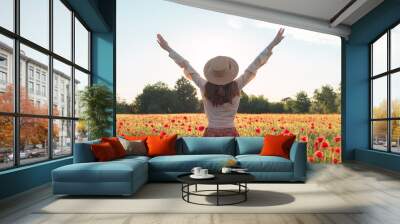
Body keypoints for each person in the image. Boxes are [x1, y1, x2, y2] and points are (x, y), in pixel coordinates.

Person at [157, 28, 285, 137]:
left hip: (210, 133)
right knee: (231, 164)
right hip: (231, 133)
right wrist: (272, 44)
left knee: (209, 164)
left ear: (212, 72)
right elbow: (255, 64)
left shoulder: (205, 86)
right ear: (229, 71)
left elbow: (186, 66)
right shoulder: (237, 85)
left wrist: (168, 48)